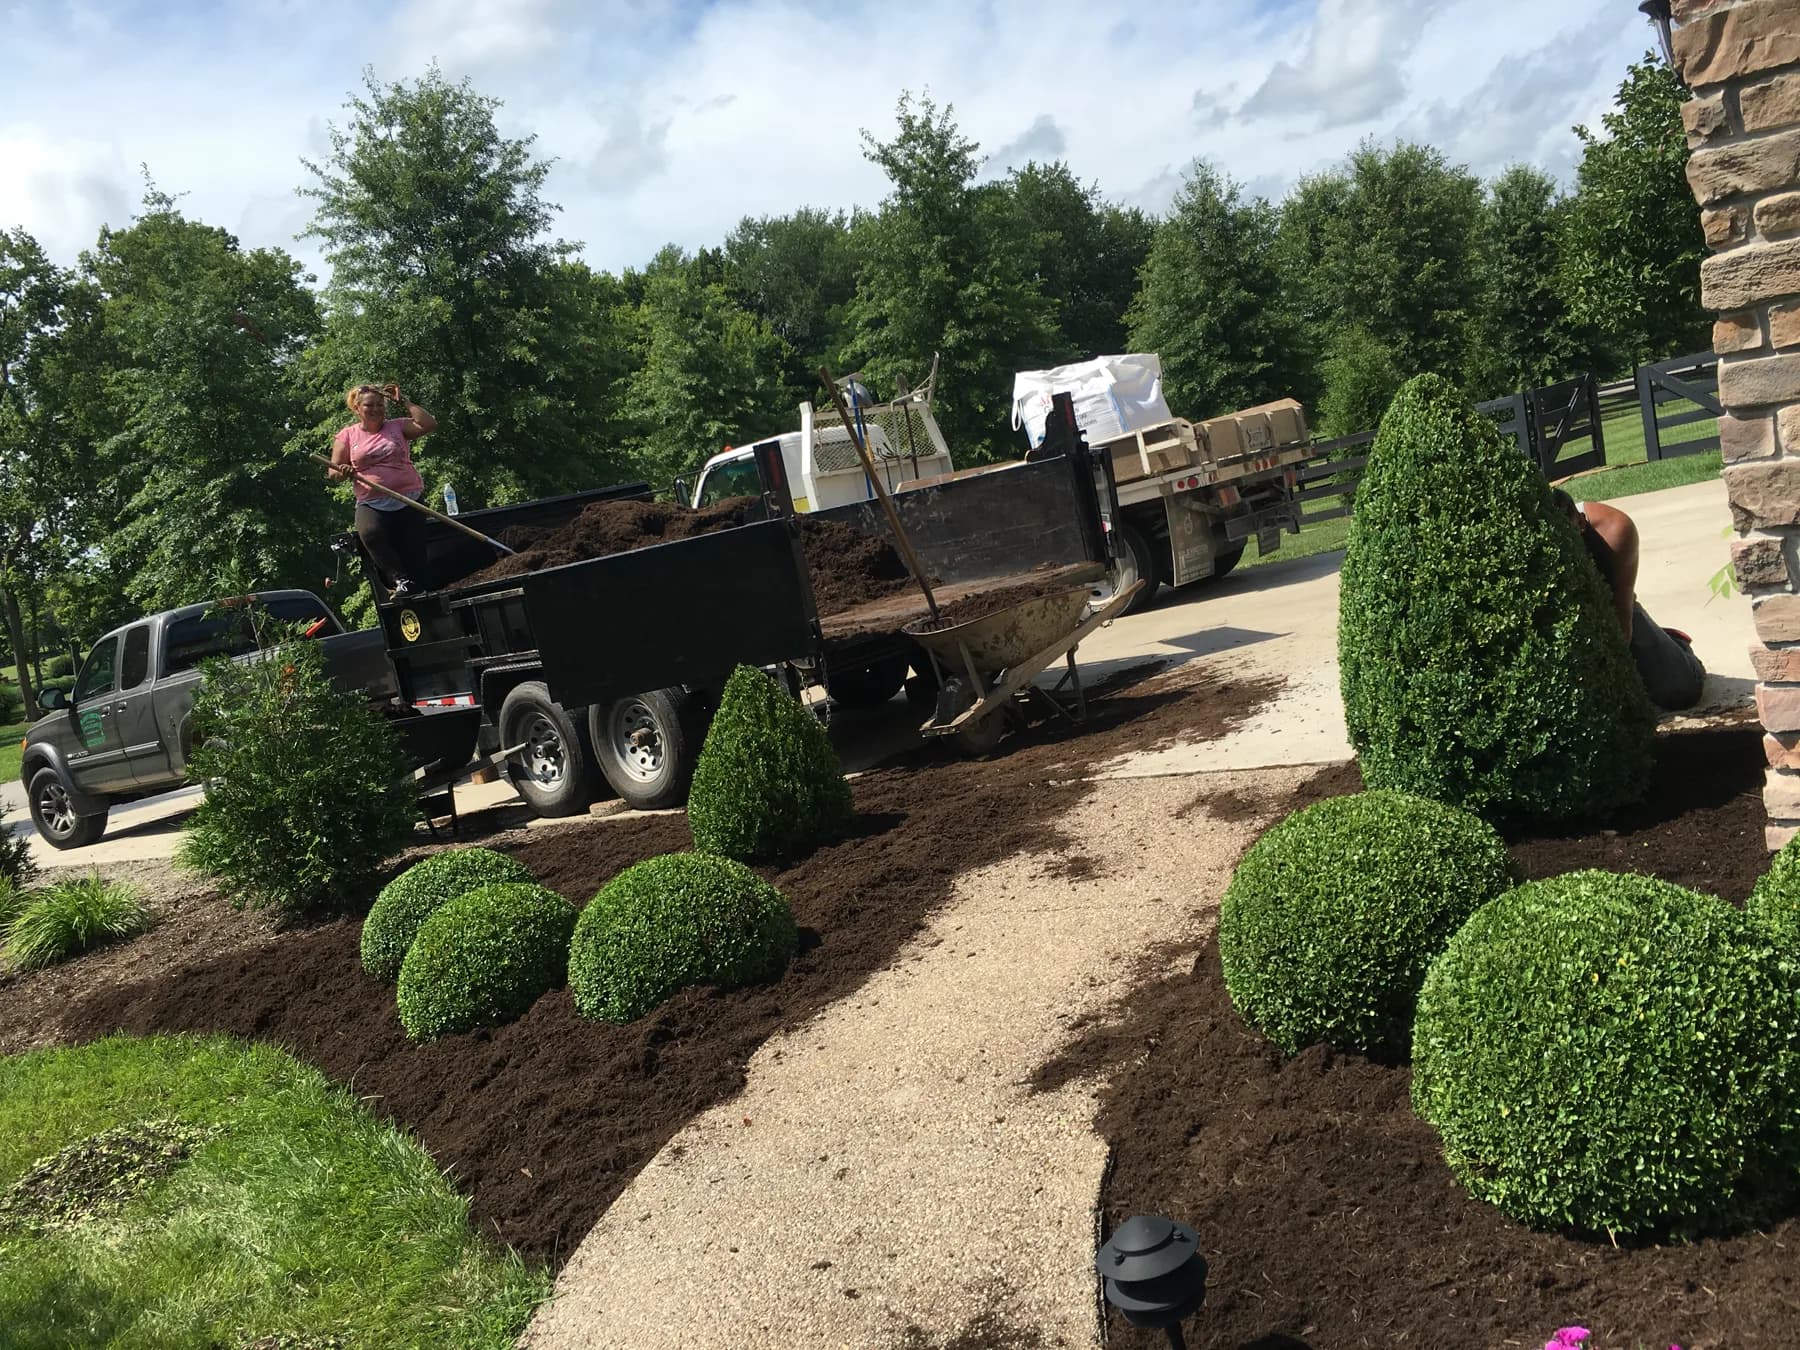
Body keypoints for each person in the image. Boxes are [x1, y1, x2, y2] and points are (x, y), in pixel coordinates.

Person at [1551, 488, 1705, 710]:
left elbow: (1621, 609)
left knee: (1679, 690)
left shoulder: (1614, 529)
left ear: (1582, 523)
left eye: (1569, 537)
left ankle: (1675, 645)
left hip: (1612, 605)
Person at [329, 383, 437, 599]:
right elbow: (333, 473)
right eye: (370, 405)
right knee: (370, 533)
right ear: (357, 408)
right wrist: (344, 471)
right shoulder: (347, 436)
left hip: (409, 498)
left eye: (380, 404)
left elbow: (429, 424)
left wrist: (403, 401)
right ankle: (400, 580)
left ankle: (422, 591)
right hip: (372, 501)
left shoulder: (397, 426)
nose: (376, 409)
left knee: (413, 550)